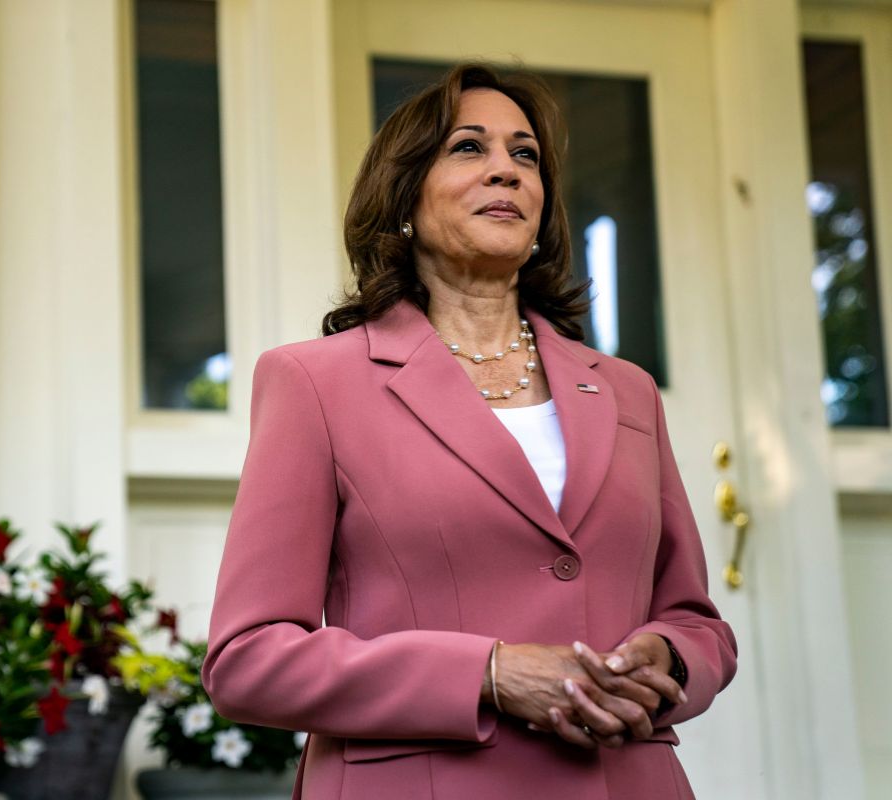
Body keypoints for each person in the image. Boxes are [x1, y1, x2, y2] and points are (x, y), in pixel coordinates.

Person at [202, 62, 737, 799]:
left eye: (525, 155)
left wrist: (667, 659)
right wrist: (486, 673)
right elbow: (250, 660)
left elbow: (695, 618)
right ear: (403, 196)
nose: (506, 171)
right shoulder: (313, 384)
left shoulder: (627, 392)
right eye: (468, 148)